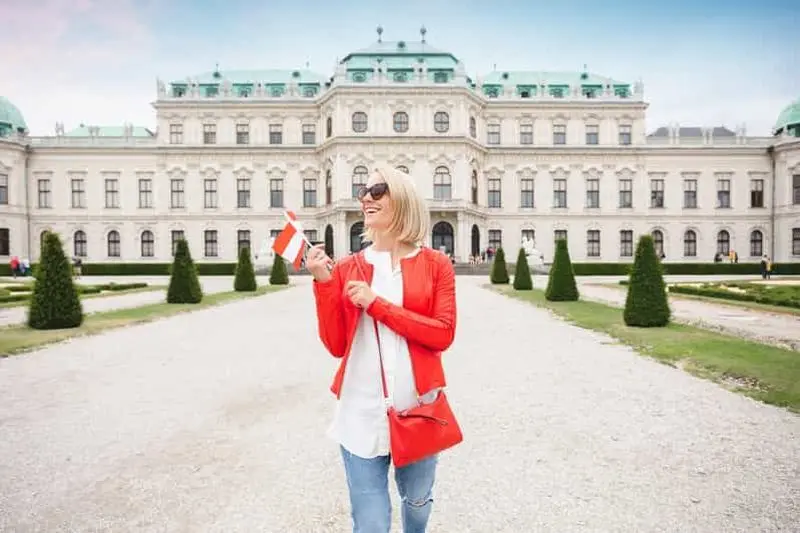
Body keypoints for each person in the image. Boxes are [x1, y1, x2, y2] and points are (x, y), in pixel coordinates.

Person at [307, 165, 457, 533]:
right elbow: (336, 345)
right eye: (363, 190)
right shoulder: (348, 267)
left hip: (418, 408)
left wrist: (377, 305)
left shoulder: (435, 264)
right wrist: (324, 284)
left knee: (418, 500)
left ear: (402, 198)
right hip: (360, 411)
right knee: (371, 523)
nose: (366, 197)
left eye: (377, 190)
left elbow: (443, 334)